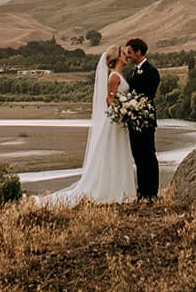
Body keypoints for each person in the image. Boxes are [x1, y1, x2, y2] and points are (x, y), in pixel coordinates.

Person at [31, 47, 137, 206]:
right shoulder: (114, 77)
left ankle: (120, 189)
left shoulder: (119, 75)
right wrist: (123, 108)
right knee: (114, 153)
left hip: (119, 120)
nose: (126, 56)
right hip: (116, 120)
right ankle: (113, 190)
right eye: (123, 54)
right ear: (117, 57)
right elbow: (109, 100)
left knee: (119, 153)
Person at [122, 38, 161, 201]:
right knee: (138, 156)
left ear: (138, 52)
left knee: (148, 155)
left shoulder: (151, 71)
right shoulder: (131, 72)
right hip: (133, 120)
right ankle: (142, 191)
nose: (128, 55)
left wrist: (134, 105)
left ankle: (152, 193)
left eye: (130, 52)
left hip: (145, 119)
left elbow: (148, 96)